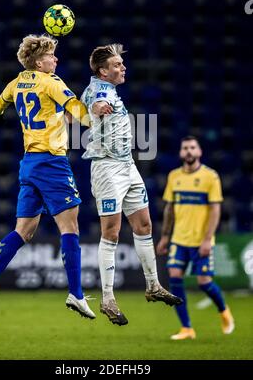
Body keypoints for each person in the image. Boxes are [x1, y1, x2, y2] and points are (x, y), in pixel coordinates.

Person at [0, 34, 95, 320]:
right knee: (70, 228)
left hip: (28, 163)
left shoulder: (16, 83)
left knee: (24, 231)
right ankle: (76, 294)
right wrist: (95, 118)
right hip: (52, 162)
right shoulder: (51, 81)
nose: (56, 59)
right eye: (52, 56)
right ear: (40, 62)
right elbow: (76, 108)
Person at [81, 43, 182, 326]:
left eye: (121, 64)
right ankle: (108, 299)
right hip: (107, 169)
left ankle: (153, 286)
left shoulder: (111, 90)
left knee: (145, 226)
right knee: (111, 232)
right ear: (103, 71)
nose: (122, 67)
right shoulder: (99, 90)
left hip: (127, 166)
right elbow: (94, 102)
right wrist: (97, 108)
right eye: (116, 65)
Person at [157, 135, 235, 340]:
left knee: (204, 282)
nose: (189, 151)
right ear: (181, 153)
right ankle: (187, 328)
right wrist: (165, 236)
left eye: (192, 147)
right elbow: (169, 209)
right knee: (175, 279)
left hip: (201, 240)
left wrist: (208, 239)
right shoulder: (174, 176)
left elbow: (215, 210)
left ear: (199, 151)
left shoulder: (211, 177)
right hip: (179, 240)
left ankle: (224, 310)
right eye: (185, 148)